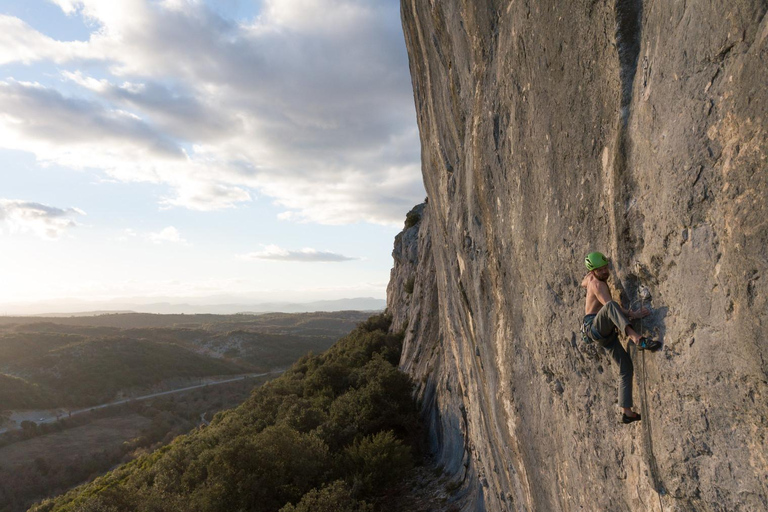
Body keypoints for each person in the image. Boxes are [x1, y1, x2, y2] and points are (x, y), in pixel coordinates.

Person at [580, 251, 660, 424]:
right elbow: (610, 307)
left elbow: (582, 282)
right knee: (611, 306)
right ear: (593, 271)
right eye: (600, 270)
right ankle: (637, 339)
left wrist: (588, 279)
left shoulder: (589, 278)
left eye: (605, 267)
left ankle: (627, 413)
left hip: (604, 334)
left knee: (625, 367)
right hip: (595, 327)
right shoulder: (597, 285)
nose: (605, 272)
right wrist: (633, 314)